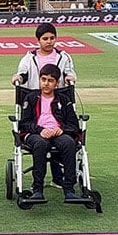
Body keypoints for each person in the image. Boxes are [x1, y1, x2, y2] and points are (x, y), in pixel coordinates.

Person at [11, 23, 76, 188]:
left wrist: (70, 77)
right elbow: (23, 74)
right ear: (38, 40)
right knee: (42, 139)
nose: (49, 42)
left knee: (61, 137)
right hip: (34, 100)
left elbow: (70, 71)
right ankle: (38, 183)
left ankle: (58, 178)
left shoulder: (63, 56)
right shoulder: (29, 58)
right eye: (45, 39)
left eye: (52, 38)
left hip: (58, 98)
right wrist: (18, 77)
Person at [18, 64, 80, 202]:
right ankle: (37, 189)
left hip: (58, 132)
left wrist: (62, 129)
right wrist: (40, 130)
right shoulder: (31, 98)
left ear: (57, 83)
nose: (46, 83)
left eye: (50, 81)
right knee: (40, 144)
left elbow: (73, 124)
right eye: (43, 79)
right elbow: (25, 123)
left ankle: (69, 189)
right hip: (36, 133)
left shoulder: (64, 100)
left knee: (69, 143)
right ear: (39, 79)